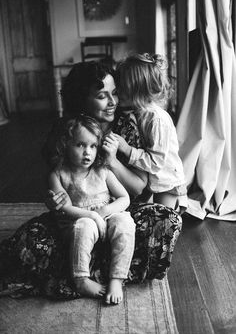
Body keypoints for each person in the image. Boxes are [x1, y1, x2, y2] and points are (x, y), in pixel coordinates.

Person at [0, 60, 182, 299]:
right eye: (101, 96)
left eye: (115, 93)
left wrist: (112, 161)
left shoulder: (127, 126)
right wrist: (54, 201)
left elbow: (138, 189)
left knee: (167, 221)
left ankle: (84, 270)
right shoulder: (68, 130)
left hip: (117, 211)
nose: (113, 102)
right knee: (27, 244)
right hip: (78, 217)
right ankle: (97, 269)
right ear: (82, 99)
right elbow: (58, 182)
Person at [48, 115, 135, 304]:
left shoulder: (102, 171)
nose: (87, 152)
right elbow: (66, 208)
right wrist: (92, 216)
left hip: (105, 217)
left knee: (125, 222)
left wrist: (103, 213)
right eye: (80, 145)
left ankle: (117, 278)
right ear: (65, 144)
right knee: (85, 226)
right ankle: (81, 279)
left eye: (93, 146)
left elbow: (124, 198)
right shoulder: (59, 174)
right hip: (79, 221)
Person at [108, 52, 187, 211]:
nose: (117, 93)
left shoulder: (156, 119)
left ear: (138, 91)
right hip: (151, 180)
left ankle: (180, 203)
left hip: (166, 182)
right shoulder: (134, 112)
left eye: (121, 89)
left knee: (164, 219)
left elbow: (156, 163)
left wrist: (127, 149)